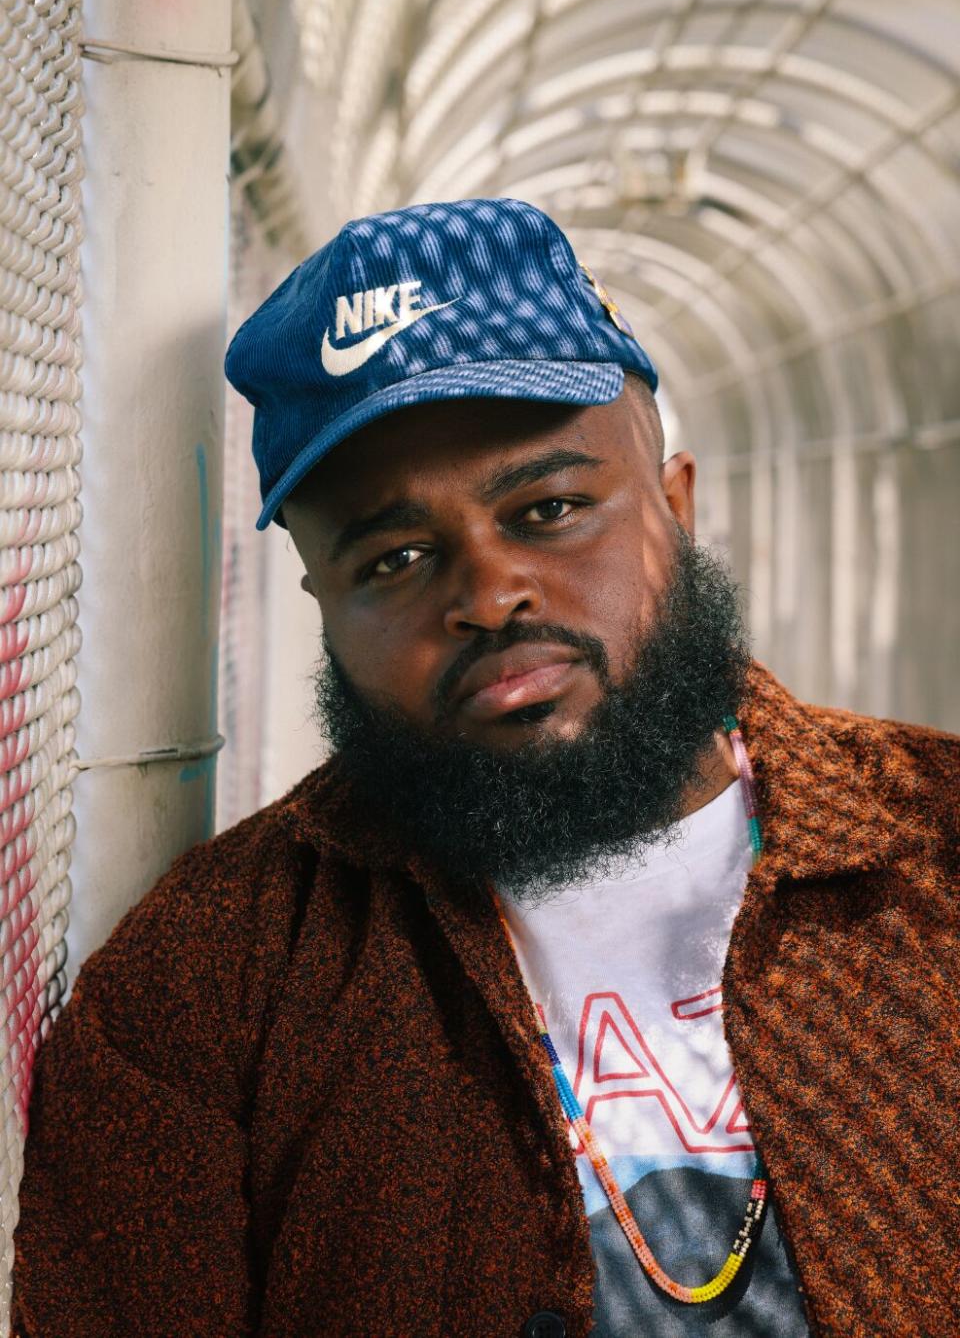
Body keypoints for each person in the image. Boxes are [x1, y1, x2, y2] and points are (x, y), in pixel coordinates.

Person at [12, 198, 959, 1338]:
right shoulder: (208, 984)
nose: (489, 592)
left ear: (676, 507)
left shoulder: (937, 838)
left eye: (551, 507)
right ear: (320, 601)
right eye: (396, 556)